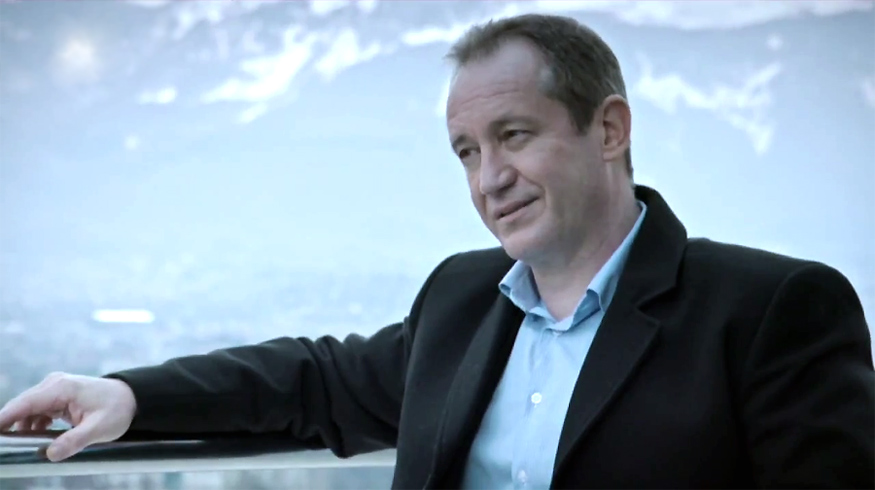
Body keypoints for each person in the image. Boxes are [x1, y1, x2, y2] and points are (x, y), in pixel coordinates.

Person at [1, 13, 873, 489]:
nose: (489, 178)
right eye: (466, 151)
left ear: (608, 130)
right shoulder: (462, 299)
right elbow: (314, 381)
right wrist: (128, 395)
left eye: (515, 135)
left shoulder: (770, 310)